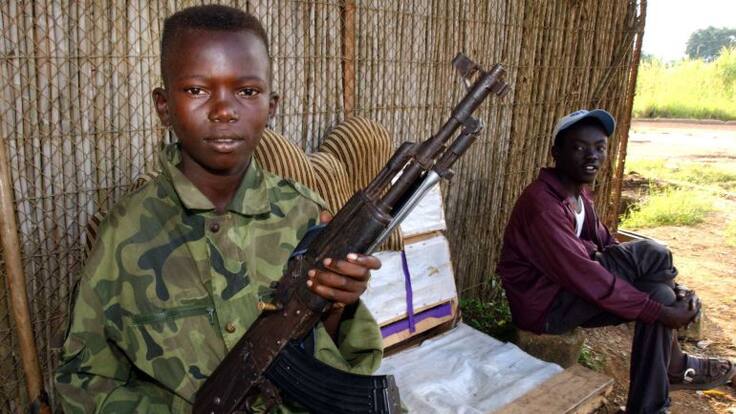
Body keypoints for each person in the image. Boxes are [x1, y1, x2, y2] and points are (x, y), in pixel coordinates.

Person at [54, 5, 383, 413]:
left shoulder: (305, 215)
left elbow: (340, 359)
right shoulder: (124, 233)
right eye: (197, 90)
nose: (224, 110)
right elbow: (82, 380)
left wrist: (336, 304)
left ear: (272, 106)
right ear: (163, 106)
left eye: (247, 92)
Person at [497, 109, 736, 413]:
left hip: (569, 294)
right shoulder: (543, 204)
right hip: (546, 307)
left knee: (660, 294)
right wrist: (661, 312)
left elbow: (607, 245)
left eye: (599, 147)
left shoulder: (579, 195)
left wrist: (669, 299)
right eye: (579, 147)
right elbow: (582, 274)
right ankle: (674, 365)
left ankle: (648, 407)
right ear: (556, 152)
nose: (592, 156)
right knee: (655, 254)